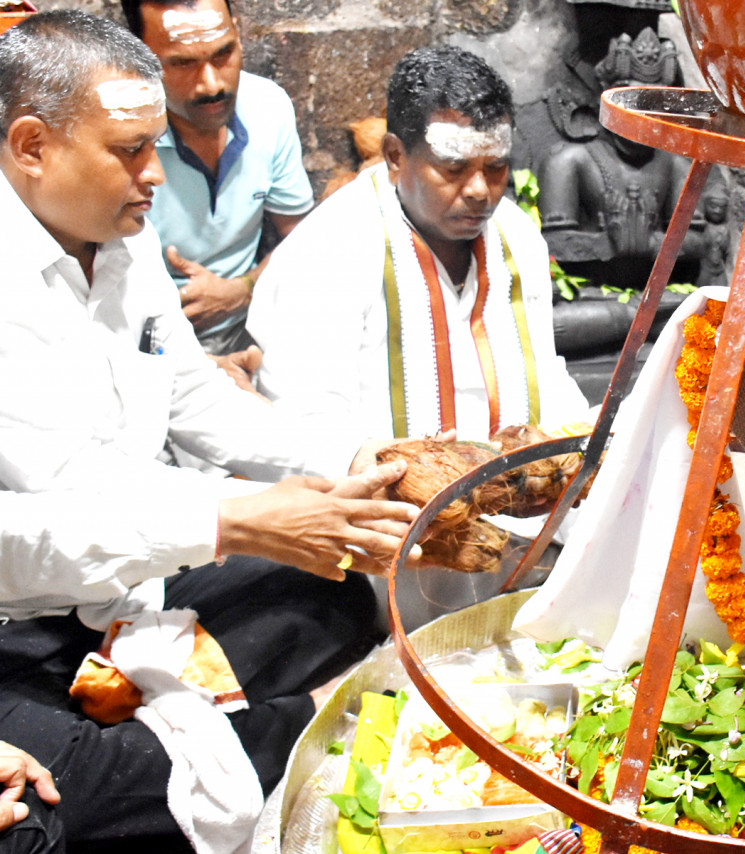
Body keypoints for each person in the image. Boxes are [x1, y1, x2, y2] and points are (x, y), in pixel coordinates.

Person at [0, 12, 422, 850]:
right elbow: (33, 528)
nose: (154, 174)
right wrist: (236, 518)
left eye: (153, 144)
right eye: (128, 151)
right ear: (32, 147)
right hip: (19, 628)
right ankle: (292, 725)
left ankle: (196, 726)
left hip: (126, 591)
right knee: (53, 805)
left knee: (331, 591)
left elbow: (193, 397)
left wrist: (346, 458)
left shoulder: (124, 236)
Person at [249, 44, 589, 443]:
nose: (480, 190)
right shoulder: (330, 249)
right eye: (454, 168)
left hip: (517, 493)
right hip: (380, 495)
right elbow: (310, 417)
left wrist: (572, 442)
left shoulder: (517, 236)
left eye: (496, 167)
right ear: (395, 156)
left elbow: (545, 375)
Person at [121, 0, 314, 355]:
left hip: (254, 325)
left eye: (223, 54)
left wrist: (243, 289)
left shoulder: (267, 107)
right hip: (147, 345)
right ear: (139, 56)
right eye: (182, 63)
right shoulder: (119, 136)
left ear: (238, 34)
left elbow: (302, 238)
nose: (211, 85)